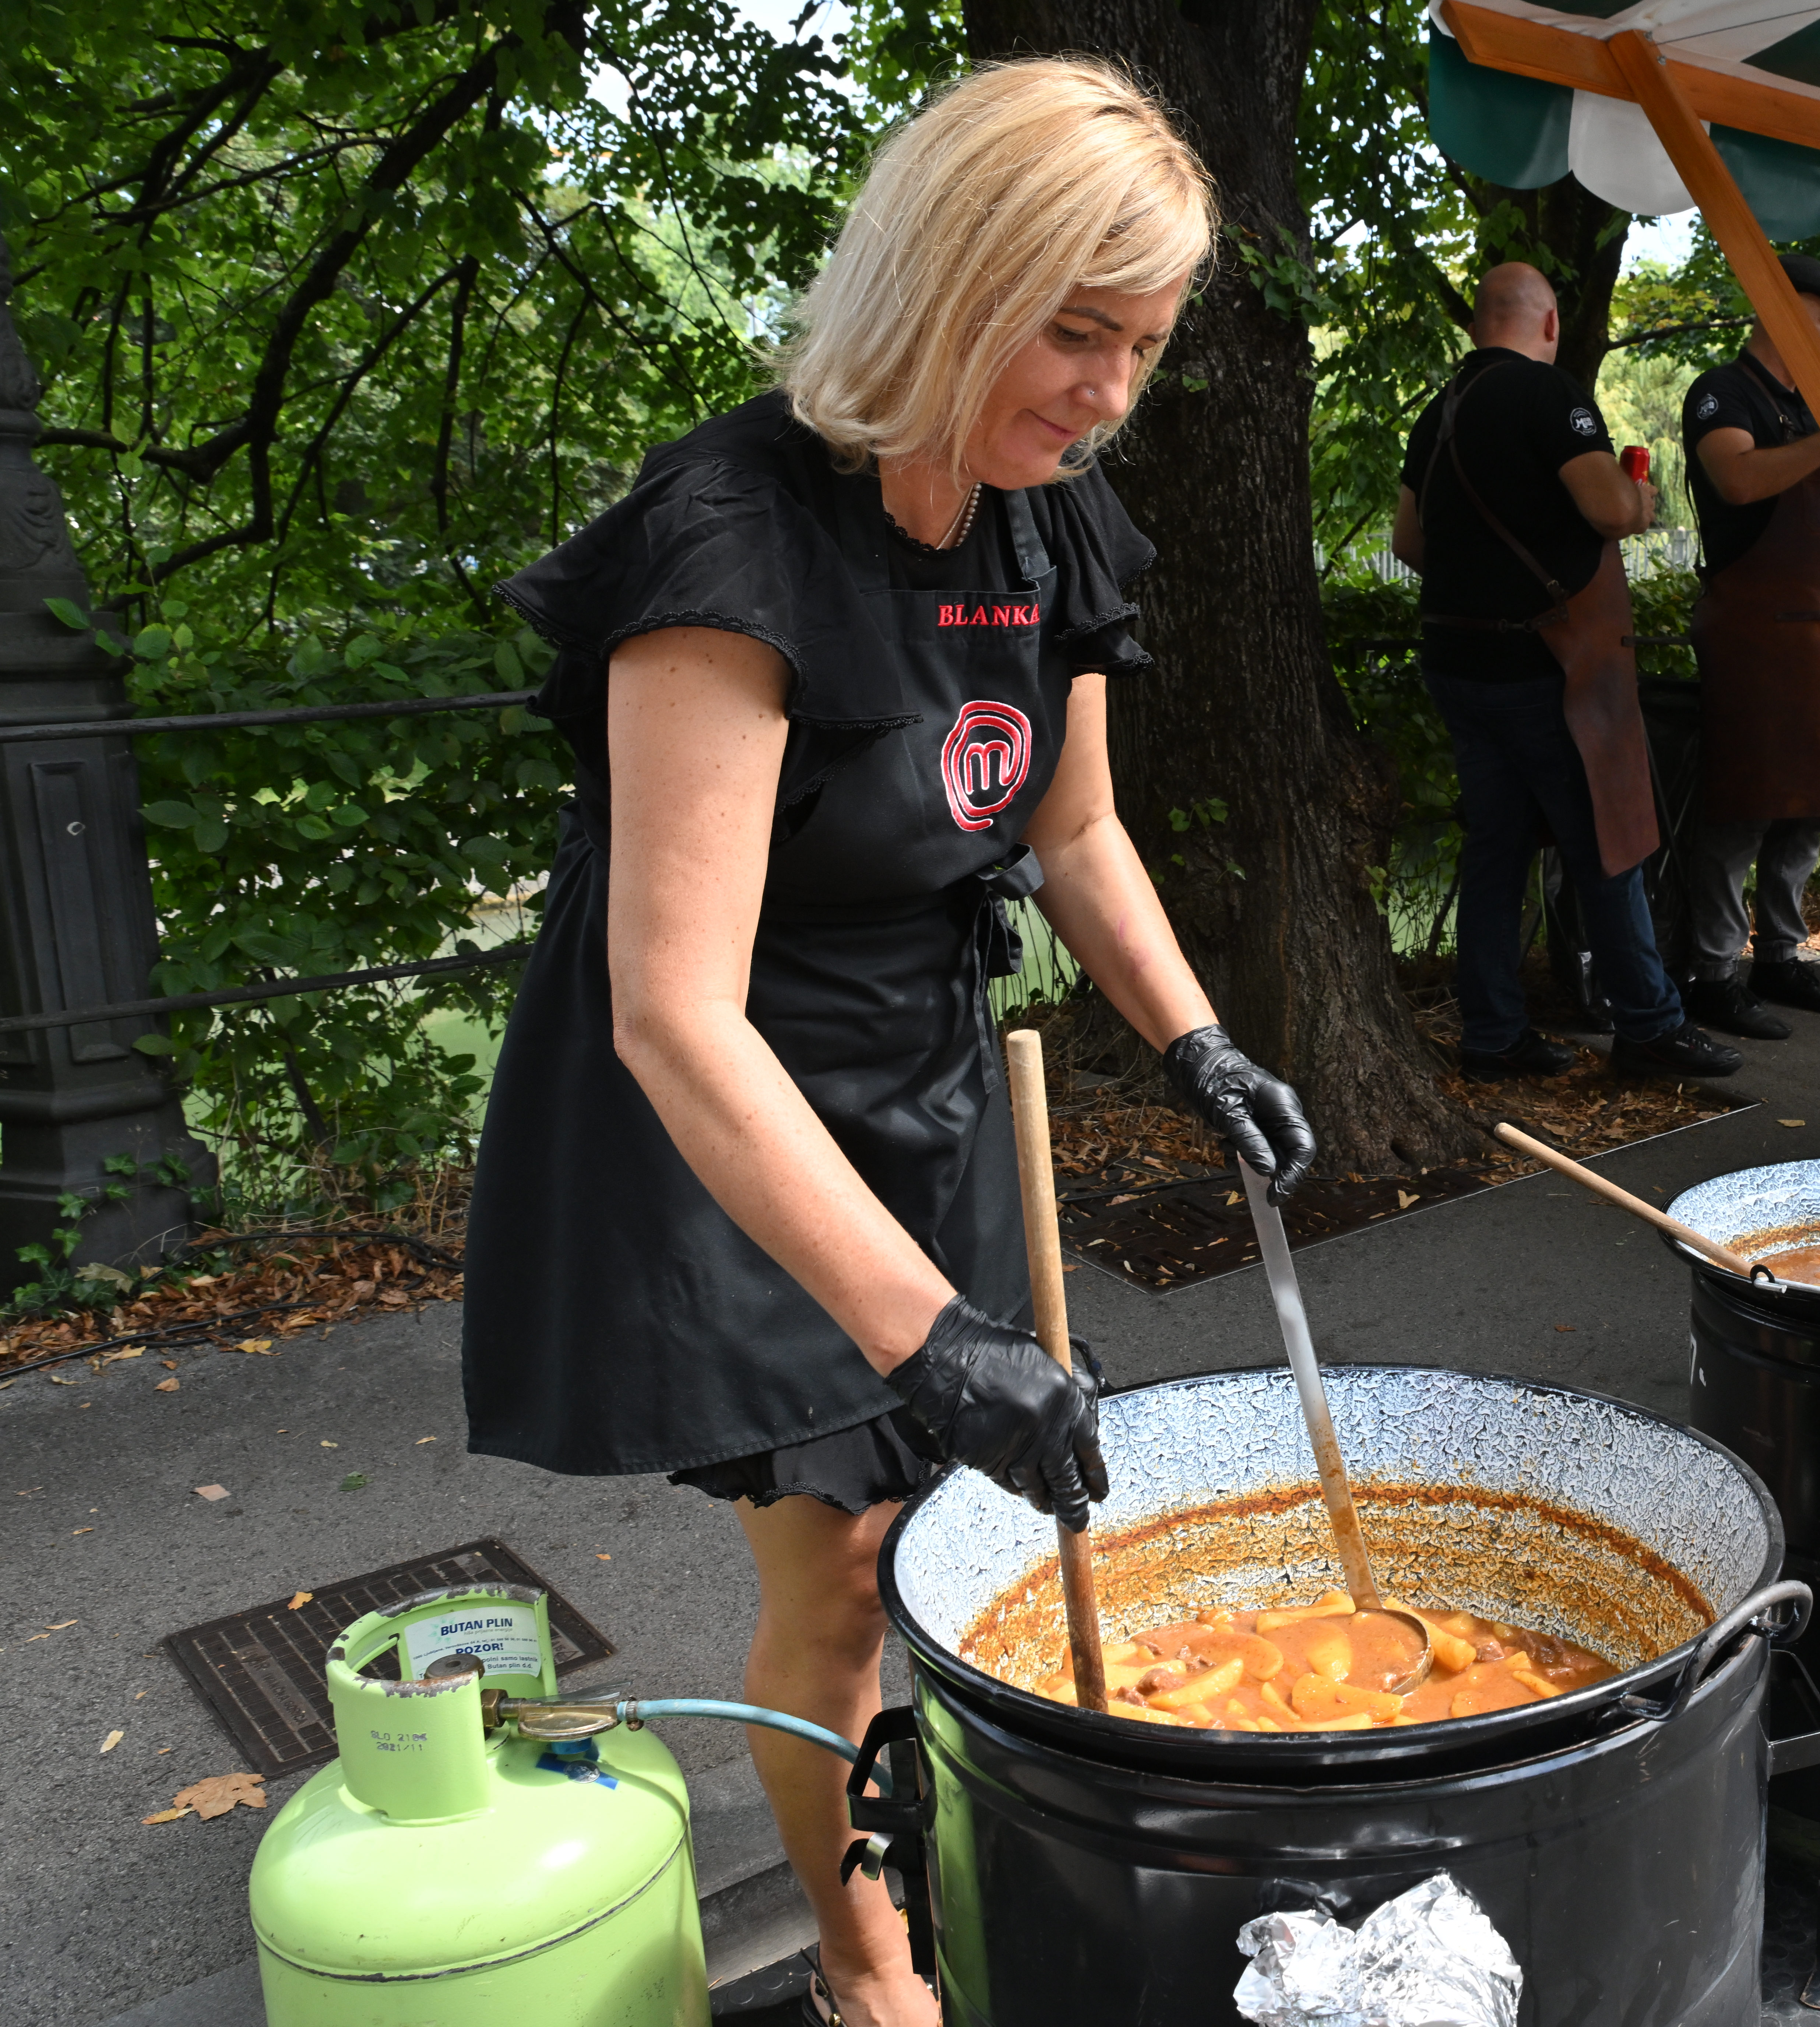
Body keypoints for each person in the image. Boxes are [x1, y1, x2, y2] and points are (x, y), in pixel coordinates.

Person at [462, 63, 1318, 2027]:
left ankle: (977, 1845)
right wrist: (925, 1335)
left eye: (1144, 347)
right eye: (1074, 330)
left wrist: (1196, 1043)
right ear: (948, 279)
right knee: (844, 1564)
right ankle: (865, 1969)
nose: (1110, 393)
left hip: (922, 1064)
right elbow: (668, 1006)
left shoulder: (1052, 518)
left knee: (961, 1527)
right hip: (723, 1104)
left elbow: (1076, 826)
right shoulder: (730, 539)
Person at [1390, 265, 1739, 1082]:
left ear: (1481, 323)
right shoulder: (1552, 398)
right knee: (1607, 845)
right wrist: (1640, 497)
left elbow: (1410, 543)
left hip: (1457, 662)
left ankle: (1493, 1035)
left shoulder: (1436, 413)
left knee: (1496, 851)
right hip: (1546, 665)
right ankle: (1650, 1025)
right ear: (1548, 325)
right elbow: (1612, 511)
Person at [1672, 252, 1820, 1041]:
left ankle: (1782, 957)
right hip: (1755, 635)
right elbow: (1737, 479)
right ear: (1780, 311)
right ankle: (1711, 972)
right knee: (1744, 808)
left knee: (1811, 811)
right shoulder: (1722, 392)